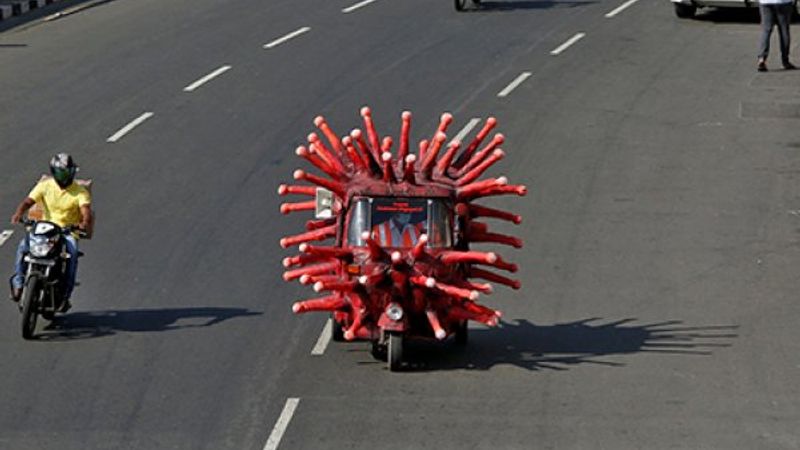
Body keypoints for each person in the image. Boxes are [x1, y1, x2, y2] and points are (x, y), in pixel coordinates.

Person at [9, 154, 92, 310]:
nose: (65, 176)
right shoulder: (45, 186)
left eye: (68, 172)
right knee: (22, 247)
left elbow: (85, 210)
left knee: (72, 254)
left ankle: (65, 295)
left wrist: (83, 223)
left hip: (67, 232)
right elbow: (28, 201)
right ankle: (18, 283)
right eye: (61, 173)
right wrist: (19, 213)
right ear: (54, 172)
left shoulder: (80, 192)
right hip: (45, 228)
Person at [757, 0, 796, 72]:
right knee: (784, 30)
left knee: (766, 30)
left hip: (765, 2)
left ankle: (762, 58)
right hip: (783, 3)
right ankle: (785, 61)